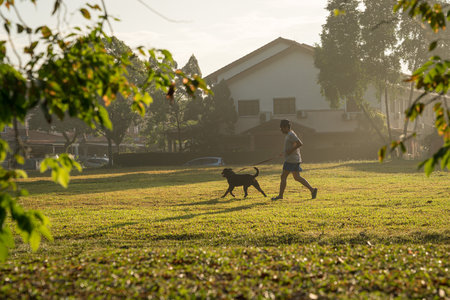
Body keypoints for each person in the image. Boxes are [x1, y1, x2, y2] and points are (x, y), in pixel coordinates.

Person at [271, 119, 318, 200]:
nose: (281, 130)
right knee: (297, 177)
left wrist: (290, 151)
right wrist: (285, 152)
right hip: (294, 159)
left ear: (286, 127)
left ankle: (280, 196)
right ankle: (312, 190)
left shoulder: (291, 135)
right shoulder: (289, 135)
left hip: (291, 160)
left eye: (281, 128)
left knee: (283, 177)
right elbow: (291, 146)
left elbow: (300, 143)